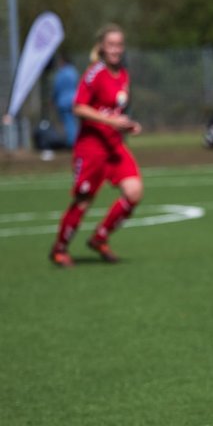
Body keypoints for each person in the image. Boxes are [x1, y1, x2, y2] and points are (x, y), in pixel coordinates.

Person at [48, 24, 143, 268]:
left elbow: (115, 111)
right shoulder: (94, 73)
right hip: (91, 148)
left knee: (134, 192)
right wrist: (112, 121)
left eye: (119, 45)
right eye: (111, 45)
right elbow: (78, 107)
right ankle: (59, 248)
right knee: (83, 201)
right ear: (102, 46)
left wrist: (126, 125)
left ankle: (100, 238)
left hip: (114, 146)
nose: (115, 50)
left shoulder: (123, 74)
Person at [52, 53, 79, 148]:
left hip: (63, 101)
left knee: (68, 121)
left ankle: (71, 142)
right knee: (72, 121)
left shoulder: (61, 73)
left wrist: (53, 99)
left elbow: (56, 88)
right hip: (74, 99)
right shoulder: (73, 72)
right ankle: (74, 140)